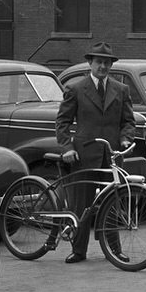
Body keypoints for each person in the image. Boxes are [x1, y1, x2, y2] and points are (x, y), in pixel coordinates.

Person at [56, 41, 137, 263]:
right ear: (90, 63)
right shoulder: (75, 89)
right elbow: (62, 122)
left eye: (107, 63)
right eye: (99, 62)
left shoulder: (121, 90)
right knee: (82, 205)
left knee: (113, 202)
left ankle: (114, 249)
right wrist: (67, 147)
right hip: (84, 155)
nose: (103, 67)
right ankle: (79, 250)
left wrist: (125, 138)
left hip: (111, 155)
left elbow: (129, 121)